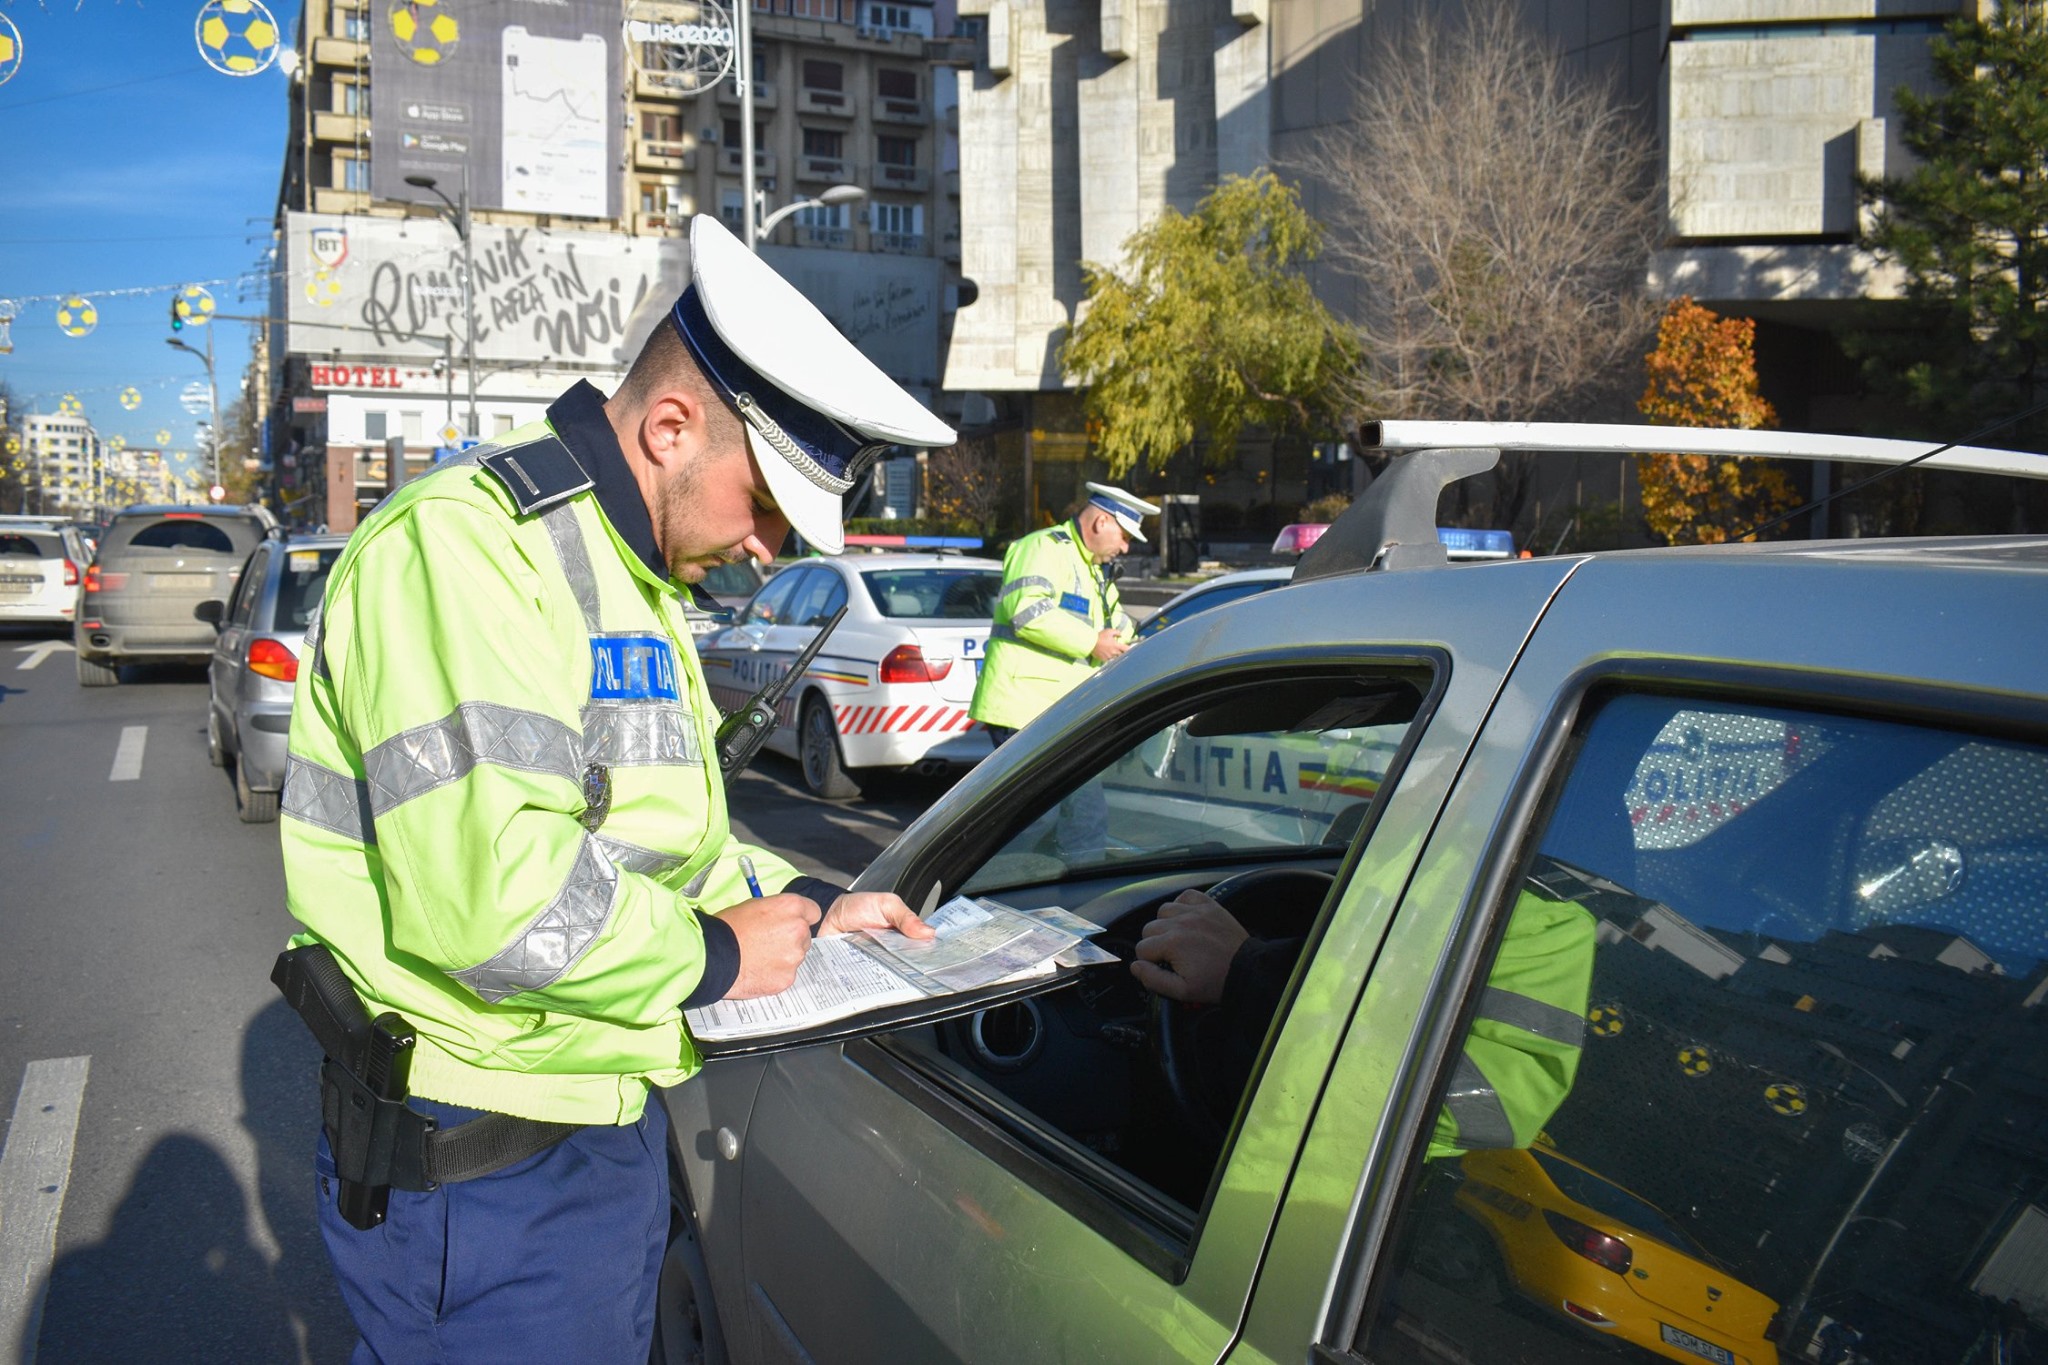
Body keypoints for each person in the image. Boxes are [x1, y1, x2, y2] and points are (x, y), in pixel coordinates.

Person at [276, 214, 951, 1362]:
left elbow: (660, 843)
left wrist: (800, 906)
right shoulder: (468, 548)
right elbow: (494, 902)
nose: (765, 549)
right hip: (483, 1165)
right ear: (672, 424)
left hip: (589, 1126)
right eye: (767, 505)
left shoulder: (621, 571)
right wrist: (722, 956)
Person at [1131, 878, 1596, 1159]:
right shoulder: (1427, 848)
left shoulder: (1541, 915)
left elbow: (1483, 1108)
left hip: (1342, 1239)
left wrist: (1249, 972)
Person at [969, 480, 1159, 746]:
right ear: (1101, 522)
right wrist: (1093, 643)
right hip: (1023, 710)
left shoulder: (1091, 567)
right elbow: (1027, 613)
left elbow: (1119, 624)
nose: (1126, 548)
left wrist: (1159, 644)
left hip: (1055, 712)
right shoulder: (1043, 547)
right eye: (1125, 537)